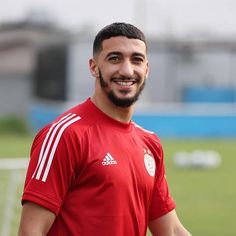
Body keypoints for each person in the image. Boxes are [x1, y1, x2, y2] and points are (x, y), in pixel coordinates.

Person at [18, 22, 191, 236]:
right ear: (93, 67)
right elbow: (30, 232)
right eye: (114, 58)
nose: (127, 70)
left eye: (136, 59)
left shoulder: (150, 143)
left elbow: (171, 230)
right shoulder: (65, 135)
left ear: (147, 69)